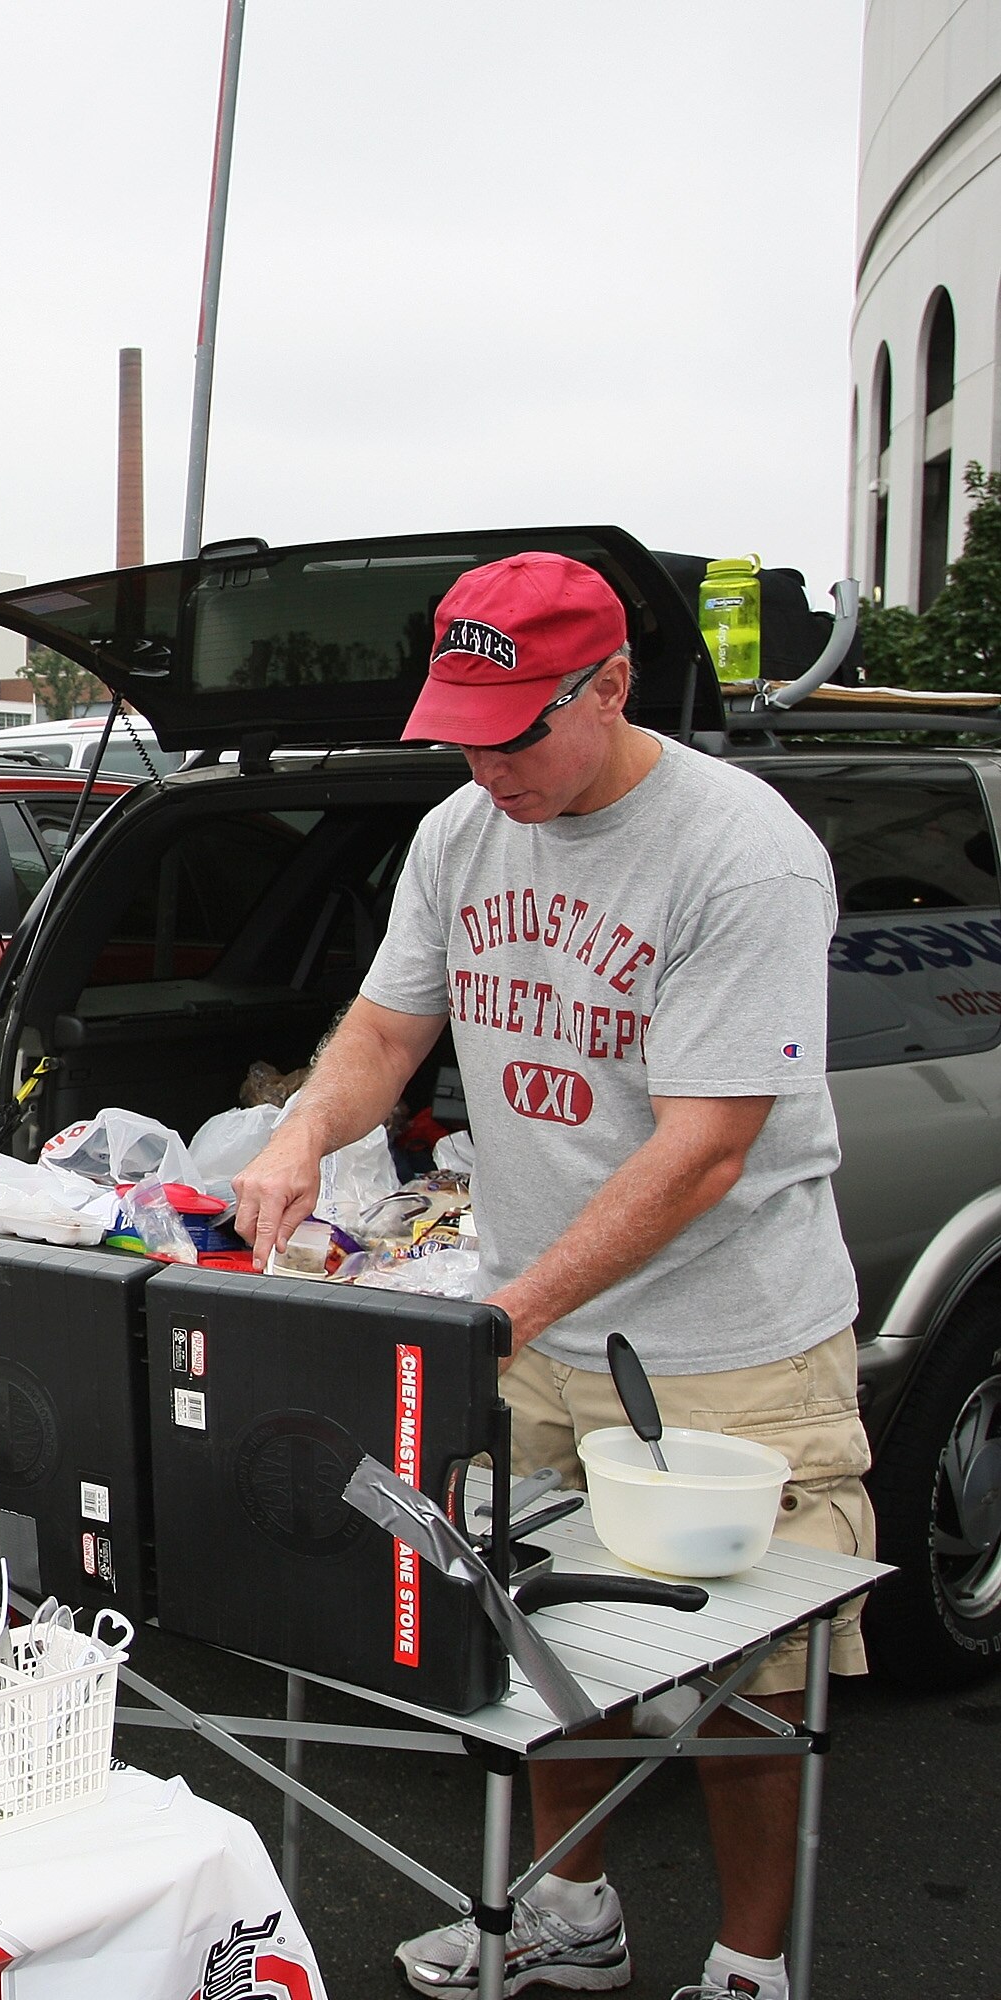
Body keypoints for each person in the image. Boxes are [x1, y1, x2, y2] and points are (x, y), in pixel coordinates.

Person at [227, 554, 867, 2000]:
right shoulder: (462, 833)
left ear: (611, 687)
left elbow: (706, 1150)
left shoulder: (738, 852)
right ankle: (570, 1909)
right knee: (540, 1639)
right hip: (529, 1323)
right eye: (462, 727)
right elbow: (388, 1033)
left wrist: (509, 1308)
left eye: (516, 730)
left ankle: (752, 1964)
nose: (485, 761)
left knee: (752, 1678)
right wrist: (299, 1141)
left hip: (729, 1340)